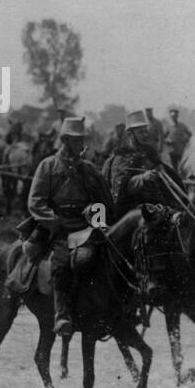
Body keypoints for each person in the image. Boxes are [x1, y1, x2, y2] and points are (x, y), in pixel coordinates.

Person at [27, 116, 113, 338]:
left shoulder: (89, 169)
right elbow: (35, 201)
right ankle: (62, 315)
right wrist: (54, 221)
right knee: (62, 264)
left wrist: (97, 218)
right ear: (64, 140)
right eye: (75, 140)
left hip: (87, 225)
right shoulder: (48, 165)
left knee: (109, 256)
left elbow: (103, 200)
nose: (80, 144)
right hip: (60, 227)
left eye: (81, 140)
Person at [103, 110, 187, 218]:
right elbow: (122, 187)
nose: (145, 135)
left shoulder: (149, 152)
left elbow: (165, 173)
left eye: (145, 131)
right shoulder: (122, 156)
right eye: (140, 132)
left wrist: (160, 169)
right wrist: (142, 178)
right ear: (130, 134)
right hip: (131, 209)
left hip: (154, 204)